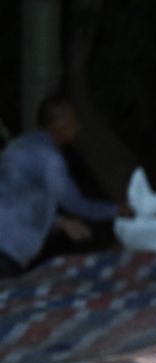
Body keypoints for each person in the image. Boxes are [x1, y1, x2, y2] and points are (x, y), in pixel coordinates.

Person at [0, 96, 123, 279]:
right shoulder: (49, 157)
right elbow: (75, 203)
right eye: (73, 121)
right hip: (6, 248)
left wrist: (60, 222)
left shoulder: (21, 144)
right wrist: (118, 210)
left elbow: (19, 200)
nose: (77, 127)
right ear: (58, 124)